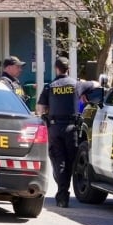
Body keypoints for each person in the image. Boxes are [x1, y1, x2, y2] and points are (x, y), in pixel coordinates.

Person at [36, 56, 97, 208]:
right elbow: (96, 84)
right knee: (70, 162)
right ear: (68, 69)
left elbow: (40, 108)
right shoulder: (76, 85)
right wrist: (83, 86)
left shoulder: (50, 86)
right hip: (72, 129)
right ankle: (64, 191)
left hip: (55, 128)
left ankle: (62, 193)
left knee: (59, 161)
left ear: (56, 69)